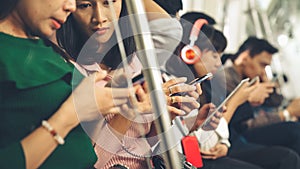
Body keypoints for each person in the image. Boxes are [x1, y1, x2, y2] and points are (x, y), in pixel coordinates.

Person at [57, 0, 220, 168]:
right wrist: (128, 111)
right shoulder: (68, 72)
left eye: (109, 2)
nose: (100, 18)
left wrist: (168, 113)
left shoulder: (135, 62)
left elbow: (144, 144)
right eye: (85, 5)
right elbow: (93, 162)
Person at [0, 0, 138, 168]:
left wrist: (111, 105)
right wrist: (68, 115)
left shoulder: (44, 48)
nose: (71, 6)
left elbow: (83, 144)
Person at [166, 16, 300, 169]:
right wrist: (242, 101)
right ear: (191, 53)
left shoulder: (203, 84)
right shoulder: (210, 82)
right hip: (213, 148)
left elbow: (206, 133)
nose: (218, 63)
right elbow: (217, 133)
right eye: (215, 56)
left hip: (220, 143)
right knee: (289, 150)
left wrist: (222, 141)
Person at [222, 36, 300, 156]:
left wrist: (266, 83)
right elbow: (245, 124)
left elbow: (275, 102)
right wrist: (286, 114)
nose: (263, 71)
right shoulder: (225, 79)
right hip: (237, 137)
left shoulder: (250, 79)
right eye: (262, 65)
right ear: (245, 58)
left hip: (245, 131)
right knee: (294, 131)